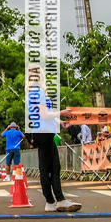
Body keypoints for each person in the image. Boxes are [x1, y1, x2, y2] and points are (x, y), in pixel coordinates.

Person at [30, 81, 81, 213]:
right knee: (51, 167)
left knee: (47, 167)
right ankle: (57, 200)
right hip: (44, 133)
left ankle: (52, 201)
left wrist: (60, 121)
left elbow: (47, 115)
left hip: (42, 132)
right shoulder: (39, 92)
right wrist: (62, 113)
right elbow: (45, 115)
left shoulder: (35, 93)